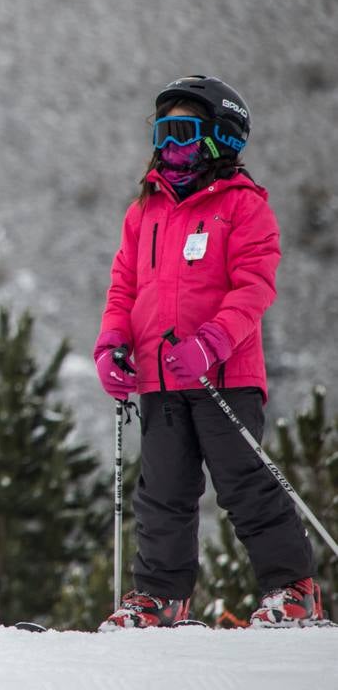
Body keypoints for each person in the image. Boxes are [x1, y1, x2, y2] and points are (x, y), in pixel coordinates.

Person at [94, 75, 320, 629]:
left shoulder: (243, 208)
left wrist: (213, 342)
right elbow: (124, 287)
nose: (171, 146)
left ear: (222, 139)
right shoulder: (143, 211)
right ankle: (160, 597)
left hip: (225, 377)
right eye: (163, 132)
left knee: (243, 483)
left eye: (186, 133)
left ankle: (292, 589)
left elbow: (254, 288)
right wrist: (112, 345)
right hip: (159, 378)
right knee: (163, 492)